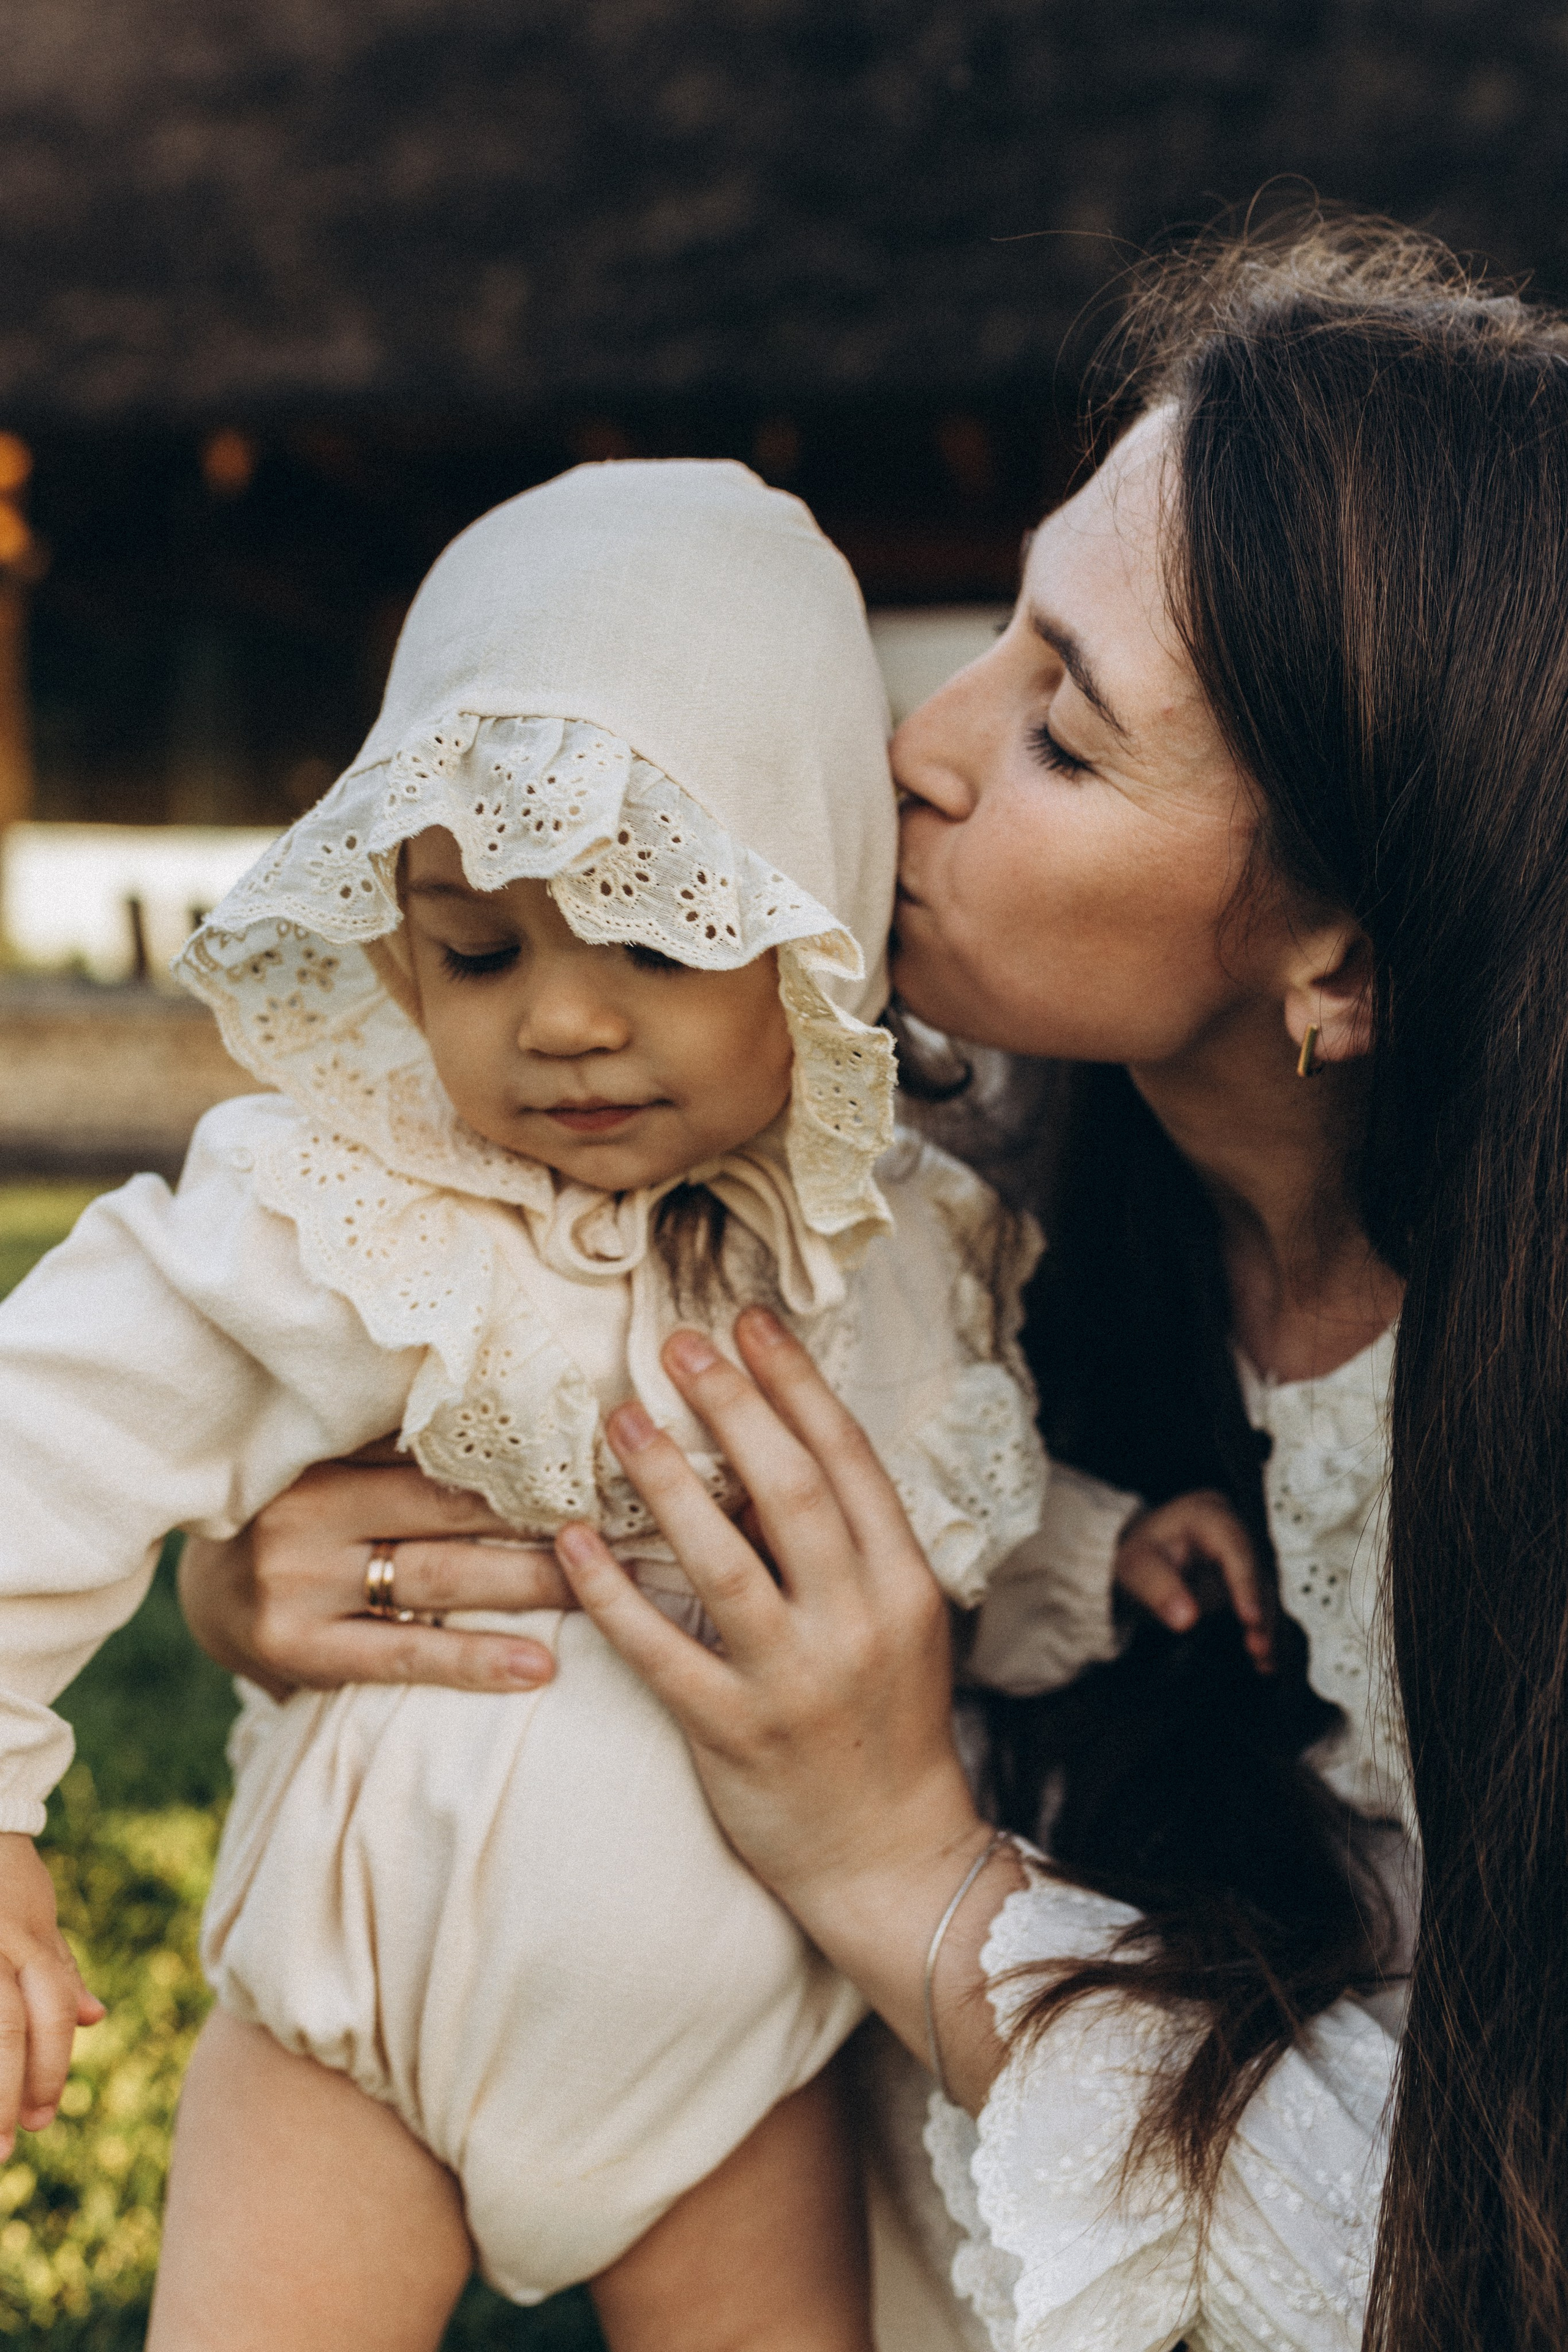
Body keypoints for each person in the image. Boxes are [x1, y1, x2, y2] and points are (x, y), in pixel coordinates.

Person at [184, 214, 1568, 2351]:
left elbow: (1471, 2255)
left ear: (1350, 965)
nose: (927, 742)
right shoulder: (879, 1117)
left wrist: (907, 1860)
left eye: (1066, 738)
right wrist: (268, 1562)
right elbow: (417, 1285)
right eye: (1012, 630)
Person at [0, 456, 1247, 2351]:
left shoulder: (895, 1246)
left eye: (656, 939)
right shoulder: (361, 1208)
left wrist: (1097, 1553)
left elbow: (925, 1514)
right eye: (479, 950)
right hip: (368, 2024)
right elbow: (52, 1430)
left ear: (814, 912)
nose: (564, 1023)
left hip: (734, 2055)